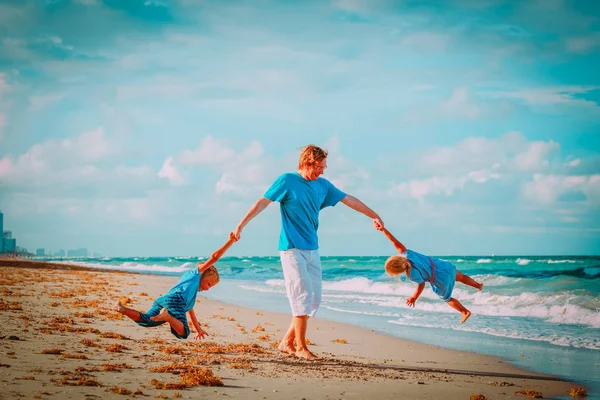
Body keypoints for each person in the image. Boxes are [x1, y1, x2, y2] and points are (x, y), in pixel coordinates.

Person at [232, 144, 384, 360]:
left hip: (313, 249)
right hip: (291, 249)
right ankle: (301, 347)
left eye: (324, 167)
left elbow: (349, 199)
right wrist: (240, 226)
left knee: (313, 301)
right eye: (319, 167)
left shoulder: (323, 185)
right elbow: (262, 202)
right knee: (301, 296)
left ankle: (286, 342)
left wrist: (373, 215)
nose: (322, 171)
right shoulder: (287, 181)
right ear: (307, 162)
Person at [115, 233, 237, 339]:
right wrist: (230, 241)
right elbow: (214, 257)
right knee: (184, 333)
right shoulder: (196, 274)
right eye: (209, 284)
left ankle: (122, 309)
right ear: (203, 274)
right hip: (175, 300)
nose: (208, 288)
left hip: (164, 300)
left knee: (146, 320)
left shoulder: (190, 292)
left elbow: (190, 312)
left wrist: (199, 329)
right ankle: (167, 316)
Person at [377, 225, 483, 323]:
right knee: (462, 277)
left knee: (447, 298)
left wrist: (414, 297)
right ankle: (478, 285)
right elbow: (393, 241)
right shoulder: (406, 253)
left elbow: (421, 285)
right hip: (443, 266)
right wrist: (383, 230)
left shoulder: (411, 274)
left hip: (438, 278)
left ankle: (464, 312)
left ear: (399, 271)